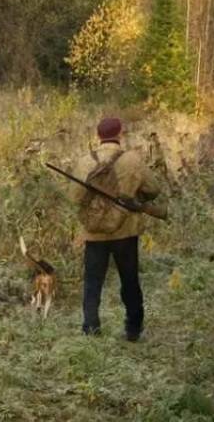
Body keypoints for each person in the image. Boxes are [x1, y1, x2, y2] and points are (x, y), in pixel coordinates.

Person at [70, 117, 161, 342]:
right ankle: (133, 329)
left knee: (92, 281)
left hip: (94, 232)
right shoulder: (133, 160)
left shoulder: (85, 161)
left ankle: (91, 328)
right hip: (126, 230)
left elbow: (74, 197)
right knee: (129, 280)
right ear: (121, 133)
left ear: (98, 136)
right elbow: (154, 189)